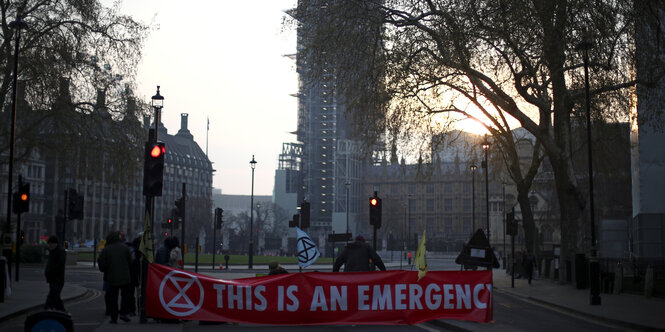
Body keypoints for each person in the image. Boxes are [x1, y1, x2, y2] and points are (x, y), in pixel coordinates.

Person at [98, 231, 133, 324]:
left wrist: (106, 269)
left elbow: (102, 265)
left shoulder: (106, 250)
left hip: (112, 277)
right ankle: (124, 313)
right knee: (125, 296)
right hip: (125, 277)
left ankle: (114, 318)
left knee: (113, 298)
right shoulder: (125, 248)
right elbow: (131, 262)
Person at [44, 235, 66, 311]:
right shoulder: (52, 251)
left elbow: (60, 264)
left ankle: (47, 308)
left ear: (54, 243)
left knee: (52, 294)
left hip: (58, 278)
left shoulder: (60, 251)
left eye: (50, 243)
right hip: (51, 278)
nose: (49, 245)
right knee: (56, 296)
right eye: (49, 243)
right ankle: (62, 311)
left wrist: (50, 271)